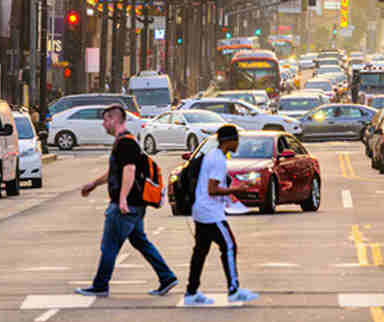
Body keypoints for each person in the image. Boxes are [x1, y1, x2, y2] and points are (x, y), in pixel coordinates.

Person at [75, 104, 178, 298]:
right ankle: (167, 277)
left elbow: (129, 170)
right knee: (140, 241)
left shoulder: (126, 143)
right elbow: (116, 171)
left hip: (126, 206)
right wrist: (94, 184)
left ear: (115, 120)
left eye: (105, 119)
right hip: (134, 205)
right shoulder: (123, 142)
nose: (103, 124)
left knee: (109, 245)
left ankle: (100, 285)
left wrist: (122, 199)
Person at [185, 124, 258, 305]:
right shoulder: (218, 159)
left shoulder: (212, 155)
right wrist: (236, 189)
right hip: (211, 213)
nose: (238, 143)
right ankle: (233, 290)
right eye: (237, 139)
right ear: (229, 141)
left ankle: (191, 292)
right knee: (229, 247)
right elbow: (212, 189)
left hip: (201, 210)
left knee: (200, 252)